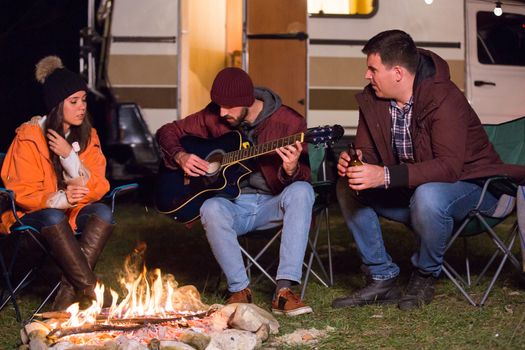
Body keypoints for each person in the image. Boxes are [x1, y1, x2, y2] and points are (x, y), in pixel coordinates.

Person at [332, 30, 525, 311]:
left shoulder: (444, 98)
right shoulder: (373, 99)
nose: (367, 76)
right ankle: (381, 276)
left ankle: (424, 275)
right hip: (412, 188)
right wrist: (356, 161)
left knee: (429, 195)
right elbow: (369, 152)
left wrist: (384, 175)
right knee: (347, 186)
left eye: (372, 68)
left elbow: (448, 167)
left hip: (477, 188)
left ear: (397, 72)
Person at [156, 67, 315, 316]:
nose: (221, 113)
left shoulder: (289, 122)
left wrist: (291, 169)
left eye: (229, 107)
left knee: (302, 191)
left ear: (247, 101)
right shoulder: (215, 115)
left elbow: (305, 176)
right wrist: (181, 155)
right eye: (218, 105)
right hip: (234, 205)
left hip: (272, 204)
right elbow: (167, 131)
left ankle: (284, 292)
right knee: (210, 207)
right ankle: (239, 290)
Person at [0, 56, 114, 310]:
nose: (81, 107)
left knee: (104, 213)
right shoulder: (29, 137)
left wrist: (68, 156)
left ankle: (63, 301)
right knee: (53, 216)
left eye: (83, 100)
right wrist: (62, 199)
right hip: (29, 217)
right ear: (55, 105)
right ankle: (92, 289)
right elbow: (21, 192)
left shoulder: (87, 136)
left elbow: (99, 185)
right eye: (73, 102)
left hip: (69, 214)